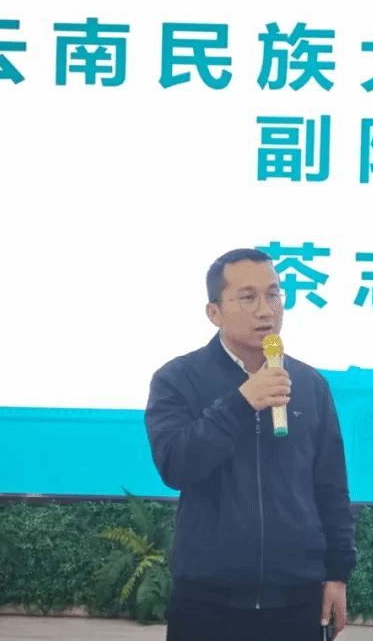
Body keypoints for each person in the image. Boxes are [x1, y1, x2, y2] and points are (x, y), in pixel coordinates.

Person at [144, 248, 355, 641]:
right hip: (207, 601)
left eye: (273, 294)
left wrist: (337, 575)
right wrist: (241, 403)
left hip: (296, 599)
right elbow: (175, 465)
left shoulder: (310, 385)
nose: (265, 310)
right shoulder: (178, 379)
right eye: (248, 297)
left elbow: (331, 487)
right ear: (214, 312)